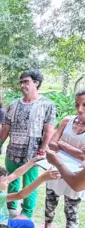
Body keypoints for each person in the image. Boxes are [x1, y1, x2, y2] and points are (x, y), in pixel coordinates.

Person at [0, 69, 56, 219]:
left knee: (30, 184)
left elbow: (49, 130)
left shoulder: (47, 105)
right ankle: (11, 207)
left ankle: (26, 213)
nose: (23, 85)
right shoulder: (14, 104)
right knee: (11, 180)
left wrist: (41, 151)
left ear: (36, 83)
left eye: (26, 82)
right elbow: (6, 127)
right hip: (12, 152)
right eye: (21, 82)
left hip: (32, 154)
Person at [44, 89, 85, 228]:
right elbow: (51, 143)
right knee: (50, 204)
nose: (80, 109)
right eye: (77, 104)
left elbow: (83, 156)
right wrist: (76, 151)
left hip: (76, 175)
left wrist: (61, 143)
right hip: (56, 168)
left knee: (72, 212)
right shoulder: (67, 120)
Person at [0, 160, 60, 228]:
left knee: (28, 224)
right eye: (5, 180)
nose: (7, 181)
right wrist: (42, 178)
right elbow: (20, 195)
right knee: (28, 224)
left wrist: (31, 162)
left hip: (0, 222)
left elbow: (15, 174)